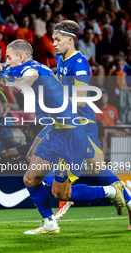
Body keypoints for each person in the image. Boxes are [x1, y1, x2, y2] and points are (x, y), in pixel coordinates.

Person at [0, 39, 126, 234]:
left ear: (21, 57)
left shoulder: (32, 69)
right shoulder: (17, 67)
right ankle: (49, 223)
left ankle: (111, 191)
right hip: (54, 131)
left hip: (71, 136)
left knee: (61, 193)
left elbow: (28, 77)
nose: (6, 60)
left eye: (9, 57)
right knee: (30, 179)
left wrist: (20, 81)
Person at [28, 20, 131, 229]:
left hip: (81, 124)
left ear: (70, 40)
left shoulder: (80, 63)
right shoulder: (60, 57)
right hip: (62, 120)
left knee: (99, 169)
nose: (53, 43)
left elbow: (82, 99)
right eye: (52, 39)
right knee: (32, 156)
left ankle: (124, 199)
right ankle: (67, 191)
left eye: (57, 40)